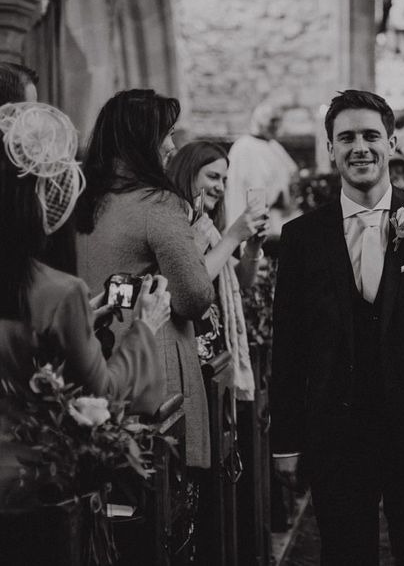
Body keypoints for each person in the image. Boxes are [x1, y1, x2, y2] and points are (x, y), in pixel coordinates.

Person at [271, 89, 404, 565]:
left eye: (370, 136)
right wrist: (286, 440)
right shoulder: (302, 236)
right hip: (336, 432)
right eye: (346, 138)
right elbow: (289, 347)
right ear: (330, 149)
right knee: (344, 554)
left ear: (391, 143)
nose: (359, 147)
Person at [0, 100, 170, 505]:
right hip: (28, 482)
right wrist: (145, 327)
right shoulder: (59, 291)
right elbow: (104, 394)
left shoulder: (57, 297)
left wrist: (83, 320)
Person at [75, 89, 215, 472]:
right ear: (140, 141)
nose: (171, 147)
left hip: (93, 359)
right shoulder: (157, 204)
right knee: (169, 503)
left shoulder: (85, 198)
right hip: (152, 363)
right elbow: (194, 298)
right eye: (165, 135)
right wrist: (197, 246)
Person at [166, 141, 268, 393]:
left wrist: (253, 247)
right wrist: (233, 235)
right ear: (188, 173)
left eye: (224, 180)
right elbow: (191, 280)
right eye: (213, 177)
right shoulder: (174, 220)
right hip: (192, 348)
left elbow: (241, 279)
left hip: (215, 350)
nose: (220, 187)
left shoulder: (205, 224)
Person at [225, 103, 298, 238]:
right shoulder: (244, 147)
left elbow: (292, 171)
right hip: (255, 215)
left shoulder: (273, 145)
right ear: (260, 121)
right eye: (272, 121)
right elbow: (254, 188)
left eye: (278, 121)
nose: (275, 126)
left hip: (277, 216)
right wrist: (276, 196)